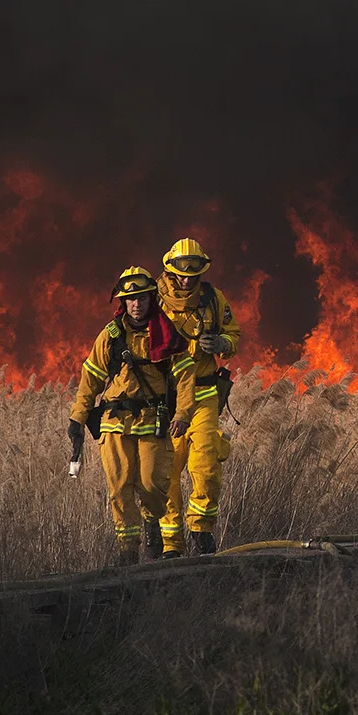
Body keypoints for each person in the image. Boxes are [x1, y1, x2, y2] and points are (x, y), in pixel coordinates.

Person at [68, 267, 196, 564]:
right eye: (130, 299)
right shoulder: (110, 336)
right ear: (122, 303)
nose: (136, 304)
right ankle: (128, 550)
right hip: (115, 422)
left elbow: (186, 377)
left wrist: (184, 413)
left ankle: (152, 523)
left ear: (151, 299)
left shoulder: (166, 335)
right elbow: (91, 379)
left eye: (141, 298)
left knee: (152, 485)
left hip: (154, 420)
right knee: (120, 486)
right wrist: (78, 417)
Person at [151, 237, 241, 557]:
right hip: (169, 400)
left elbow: (234, 334)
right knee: (168, 472)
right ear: (170, 269)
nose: (187, 276)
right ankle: (170, 544)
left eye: (193, 269)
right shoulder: (154, 301)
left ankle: (201, 531)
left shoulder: (214, 300)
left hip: (204, 394)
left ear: (202, 269)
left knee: (205, 465)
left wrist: (221, 344)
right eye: (181, 269)